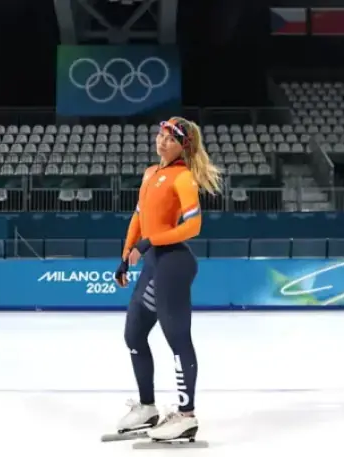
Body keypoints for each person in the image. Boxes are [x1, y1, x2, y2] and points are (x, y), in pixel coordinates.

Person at [112, 116, 222, 442]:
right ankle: (147, 408)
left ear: (182, 146)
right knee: (134, 335)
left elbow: (193, 226)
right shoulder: (150, 173)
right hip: (152, 265)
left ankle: (186, 416)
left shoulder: (183, 178)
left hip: (174, 264)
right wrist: (126, 254)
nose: (162, 142)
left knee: (177, 339)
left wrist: (150, 242)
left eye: (170, 139)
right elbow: (139, 217)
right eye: (161, 135)